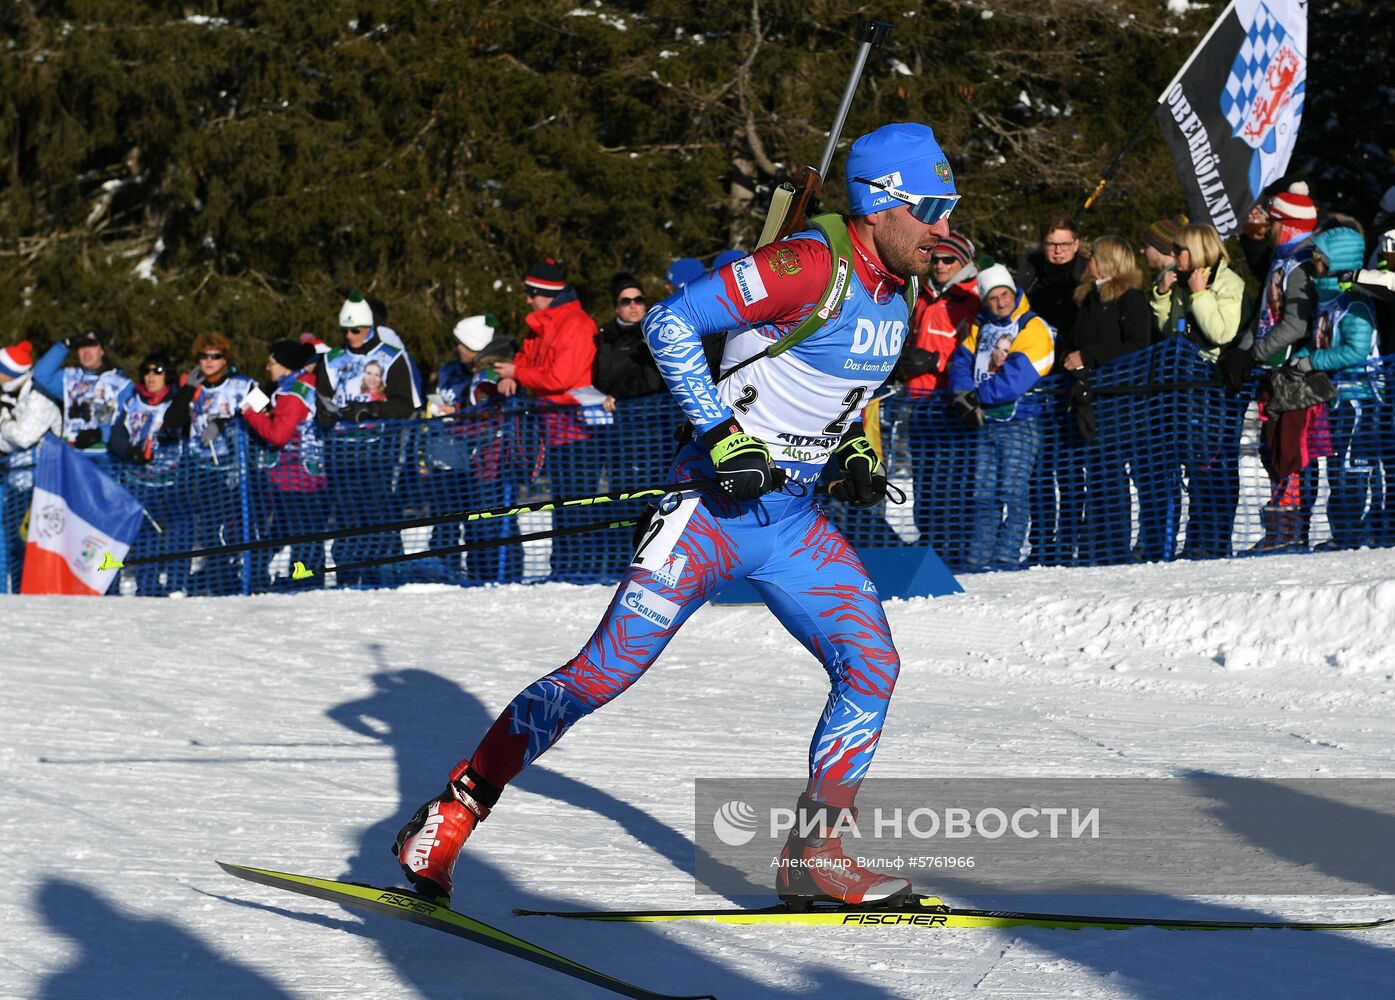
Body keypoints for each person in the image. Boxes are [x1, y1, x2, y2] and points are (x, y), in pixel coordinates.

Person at [393, 121, 960, 908]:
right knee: (601, 675)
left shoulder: (896, 293)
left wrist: (857, 455)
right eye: (931, 206)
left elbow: (852, 395)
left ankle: (815, 853)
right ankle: (454, 808)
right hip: (710, 514)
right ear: (879, 202)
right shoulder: (806, 263)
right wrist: (724, 437)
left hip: (791, 522)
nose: (943, 227)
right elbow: (668, 324)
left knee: (871, 664)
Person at [1222, 182, 1321, 550]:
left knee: (1290, 450)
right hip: (1270, 370)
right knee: (1271, 447)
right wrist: (1241, 351)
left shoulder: (1302, 263)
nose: (1270, 228)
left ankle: (1291, 528)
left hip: (1293, 375)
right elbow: (1266, 316)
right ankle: (1280, 527)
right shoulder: (1281, 259)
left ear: (1290, 224)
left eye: (1275, 221)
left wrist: (1255, 353)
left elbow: (1296, 324)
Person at [491, 259, 598, 581]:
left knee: (580, 503)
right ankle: (562, 568)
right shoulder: (541, 323)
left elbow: (560, 377)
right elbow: (526, 356)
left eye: (532, 293)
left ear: (547, 293)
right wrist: (515, 375)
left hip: (578, 428)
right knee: (561, 502)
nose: (527, 300)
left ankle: (581, 570)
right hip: (550, 429)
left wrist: (518, 374)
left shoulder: (575, 323)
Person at [947, 264, 1055, 571]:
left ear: (1014, 292)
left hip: (1020, 422)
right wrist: (963, 393)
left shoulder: (1032, 326)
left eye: (1005, 294)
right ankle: (978, 557)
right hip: (986, 424)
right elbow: (961, 361)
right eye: (993, 297)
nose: (1000, 302)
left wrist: (976, 397)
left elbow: (1018, 377)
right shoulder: (982, 326)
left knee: (1012, 491)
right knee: (983, 493)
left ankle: (1007, 555)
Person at [1149, 224, 1248, 559]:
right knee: (1194, 467)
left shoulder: (1227, 282)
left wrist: (1201, 294)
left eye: (1179, 250)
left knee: (1215, 468)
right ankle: (1196, 541)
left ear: (1199, 250)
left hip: (1215, 389)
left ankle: (1214, 541)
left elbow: (1221, 331)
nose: (1174, 256)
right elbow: (1170, 331)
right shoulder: (1181, 281)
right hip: (1185, 389)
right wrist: (1162, 297)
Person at [314, 292, 421, 585]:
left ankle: (385, 573)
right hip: (340, 453)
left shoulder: (390, 357)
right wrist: (324, 414)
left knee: (377, 514)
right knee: (347, 517)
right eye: (345, 331)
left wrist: (372, 410)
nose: (350, 336)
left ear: (370, 327)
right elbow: (322, 398)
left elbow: (407, 405)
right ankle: (348, 575)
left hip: (377, 453)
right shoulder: (332, 360)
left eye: (357, 330)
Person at [1058, 236, 1151, 562]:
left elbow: (1140, 345)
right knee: (1094, 475)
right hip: (1088, 401)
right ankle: (1095, 545)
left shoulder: (1131, 299)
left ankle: (1114, 546)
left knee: (1111, 476)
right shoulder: (1087, 299)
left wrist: (1089, 356)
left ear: (1109, 260)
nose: (1088, 262)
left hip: (1119, 404)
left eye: (1093, 257)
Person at [1285, 226, 1378, 550]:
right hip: (1335, 399)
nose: (1314, 265)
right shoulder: (1328, 299)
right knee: (1336, 468)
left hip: (1359, 401)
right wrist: (1299, 359)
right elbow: (1319, 343)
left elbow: (1355, 350)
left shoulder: (1354, 304)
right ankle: (1342, 533)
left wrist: (1314, 362)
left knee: (1352, 468)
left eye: (1319, 259)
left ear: (1335, 261)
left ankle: (1352, 534)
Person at [899, 230, 978, 563]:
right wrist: (904, 361)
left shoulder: (971, 298)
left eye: (949, 260)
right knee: (925, 479)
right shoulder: (923, 294)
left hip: (950, 402)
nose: (940, 265)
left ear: (963, 262)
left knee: (951, 480)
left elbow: (974, 350)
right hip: (919, 400)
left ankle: (952, 547)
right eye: (936, 258)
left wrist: (936, 362)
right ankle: (929, 542)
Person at [426, 314, 524, 584]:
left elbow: (485, 420)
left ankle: (500, 575)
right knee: (481, 524)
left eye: (461, 343)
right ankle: (483, 574)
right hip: (480, 463)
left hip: (493, 464)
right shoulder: (477, 376)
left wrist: (453, 421)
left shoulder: (486, 378)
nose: (457, 348)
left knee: (492, 524)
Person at [160, 333, 257, 593]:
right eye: (204, 356)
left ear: (225, 359)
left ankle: (242, 577)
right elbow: (171, 421)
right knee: (211, 528)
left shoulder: (242, 385)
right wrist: (189, 389)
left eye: (216, 356)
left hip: (236, 468)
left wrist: (225, 423)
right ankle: (216, 579)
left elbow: (264, 407)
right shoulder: (194, 388)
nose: (209, 361)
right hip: (203, 468)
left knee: (236, 527)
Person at [589, 272, 670, 576]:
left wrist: (618, 394)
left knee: (650, 493)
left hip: (650, 425)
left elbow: (653, 377)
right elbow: (601, 375)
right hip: (619, 428)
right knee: (621, 492)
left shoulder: (652, 332)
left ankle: (650, 561)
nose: (635, 306)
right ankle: (621, 560)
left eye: (639, 300)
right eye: (627, 301)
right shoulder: (606, 335)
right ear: (616, 306)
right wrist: (607, 393)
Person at [241, 339, 328, 588]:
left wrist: (251, 415)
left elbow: (278, 434)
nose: (267, 368)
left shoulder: (293, 393)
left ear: (285, 365)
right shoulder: (291, 386)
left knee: (303, 534)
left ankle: (304, 580)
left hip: (297, 477)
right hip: (301, 475)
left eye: (271, 363)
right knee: (291, 531)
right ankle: (294, 577)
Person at [108, 353, 187, 595]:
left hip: (171, 479)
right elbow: (116, 437)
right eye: (147, 371)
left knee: (178, 532)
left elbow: (183, 425)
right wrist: (131, 452)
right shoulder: (132, 402)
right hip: (139, 480)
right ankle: (147, 585)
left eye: (158, 371)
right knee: (144, 537)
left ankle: (176, 584)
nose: (151, 376)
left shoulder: (176, 400)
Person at [0, 340, 62, 591]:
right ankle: (14, 591)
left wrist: (3, 424)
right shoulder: (12, 396)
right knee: (13, 542)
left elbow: (23, 436)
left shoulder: (39, 399)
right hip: (16, 480)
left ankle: (33, 591)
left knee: (29, 542)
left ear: (12, 374)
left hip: (42, 482)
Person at [31, 329, 132, 451]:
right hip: (71, 455)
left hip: (104, 456)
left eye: (92, 345)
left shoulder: (121, 384)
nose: (86, 351)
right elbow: (41, 374)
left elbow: (128, 422)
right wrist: (65, 345)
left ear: (102, 350)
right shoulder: (70, 379)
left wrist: (100, 434)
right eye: (81, 346)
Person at [1014, 214, 1088, 337]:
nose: (1058, 251)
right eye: (1051, 244)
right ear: (1043, 245)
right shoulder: (1028, 270)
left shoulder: (1087, 274)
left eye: (1065, 244)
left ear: (1075, 245)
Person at [1139, 216, 1185, 296]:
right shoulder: (1166, 279)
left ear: (1162, 248)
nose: (1142, 251)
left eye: (1146, 246)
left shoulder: (1177, 282)